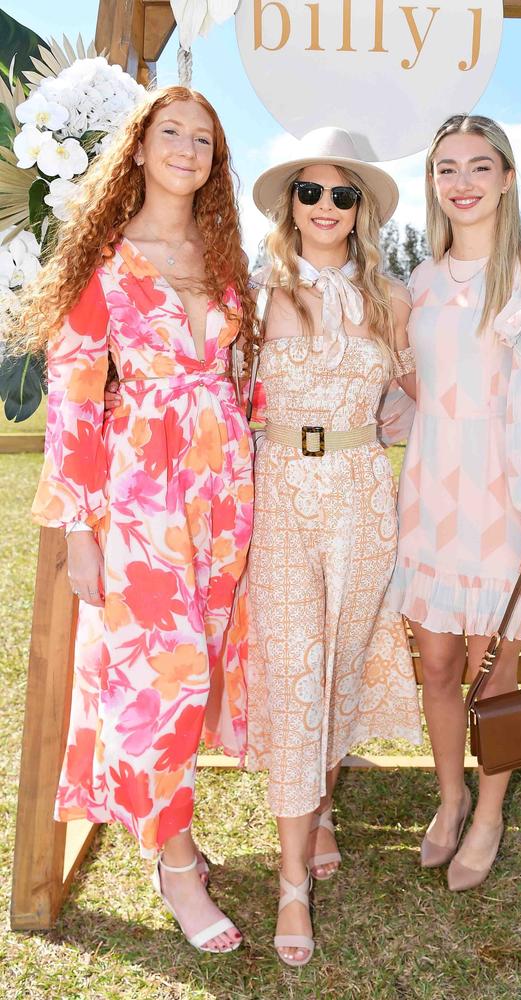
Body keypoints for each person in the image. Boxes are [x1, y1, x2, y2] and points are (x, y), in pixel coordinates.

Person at [19, 86, 256, 953]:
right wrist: (80, 527)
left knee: (210, 664)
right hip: (143, 493)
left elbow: (241, 376)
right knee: (174, 677)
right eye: (172, 132)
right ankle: (177, 863)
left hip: (225, 489)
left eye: (205, 137)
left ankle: (169, 825)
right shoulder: (108, 260)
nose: (188, 148)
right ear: (140, 145)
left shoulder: (223, 254)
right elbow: (75, 399)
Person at [386, 114, 521, 891]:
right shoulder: (423, 281)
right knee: (435, 660)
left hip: (506, 492)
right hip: (433, 483)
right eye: (446, 169)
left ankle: (492, 812)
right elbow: (414, 384)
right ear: (433, 184)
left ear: (507, 177)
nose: (462, 183)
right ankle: (449, 796)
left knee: (493, 666)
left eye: (478, 166)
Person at [246, 128, 423, 965]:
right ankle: (291, 884)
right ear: (292, 205)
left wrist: (410, 410)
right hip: (279, 493)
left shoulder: (390, 300)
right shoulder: (255, 288)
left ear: (362, 211)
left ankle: (318, 808)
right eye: (309, 193)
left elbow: (424, 388)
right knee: (294, 671)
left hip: (362, 496)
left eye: (341, 194)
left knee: (345, 658)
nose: (324, 207)